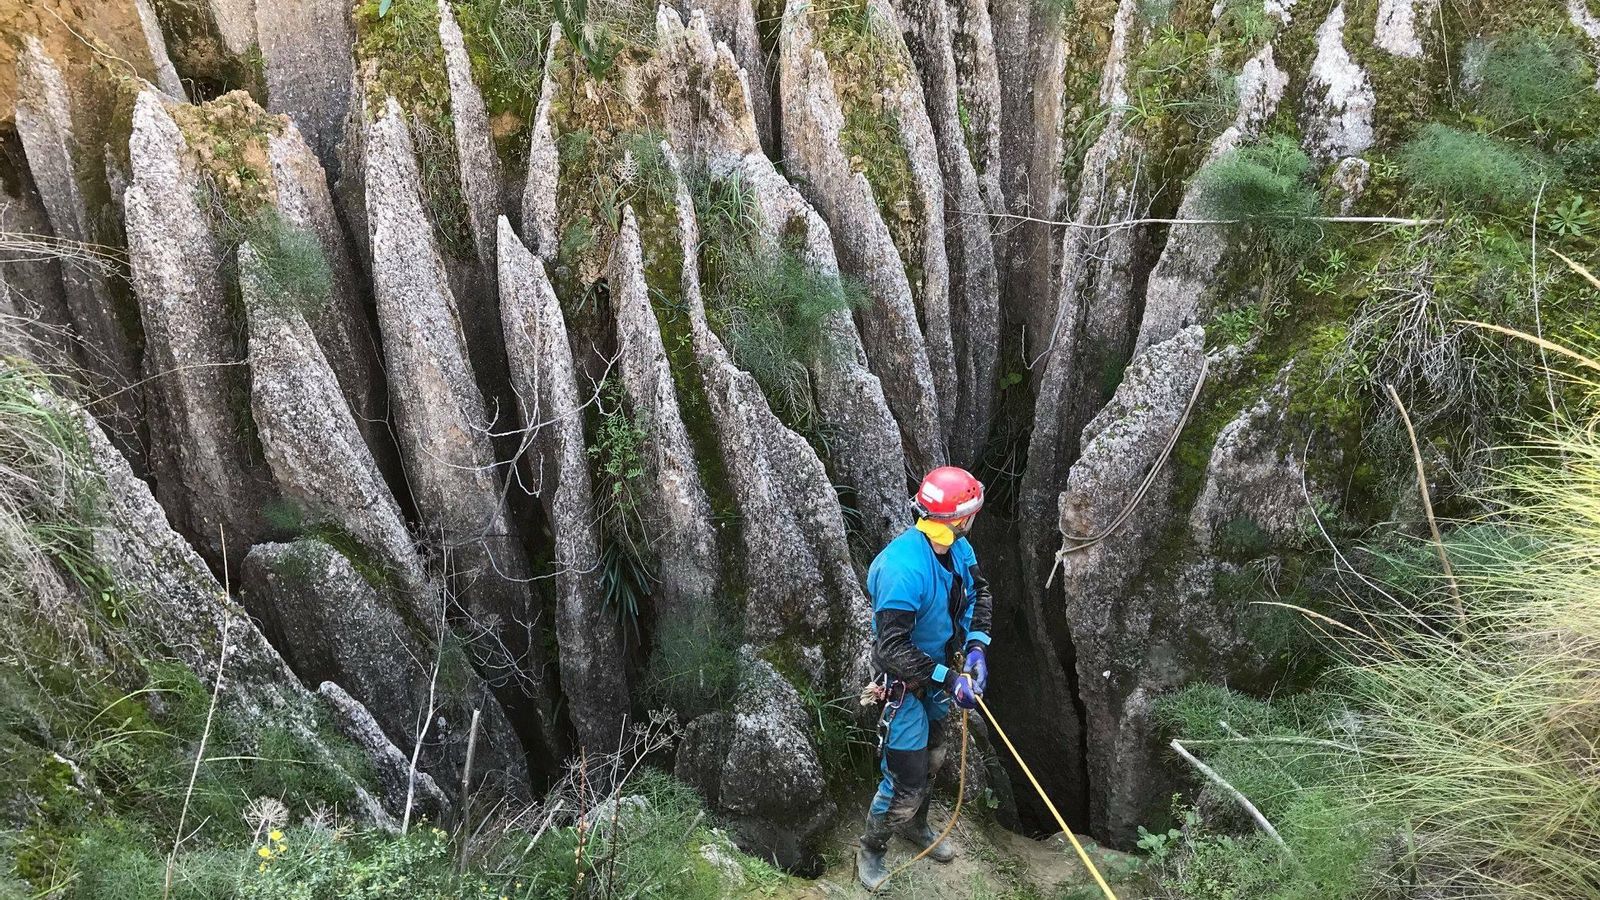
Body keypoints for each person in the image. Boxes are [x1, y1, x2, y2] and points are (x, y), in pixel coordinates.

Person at [857, 466, 993, 892]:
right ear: (960, 518)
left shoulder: (957, 548)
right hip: (905, 683)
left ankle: (916, 826)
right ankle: (871, 849)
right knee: (906, 778)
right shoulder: (903, 569)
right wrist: (948, 679)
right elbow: (891, 649)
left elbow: (979, 593)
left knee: (934, 757)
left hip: (939, 676)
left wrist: (977, 647)